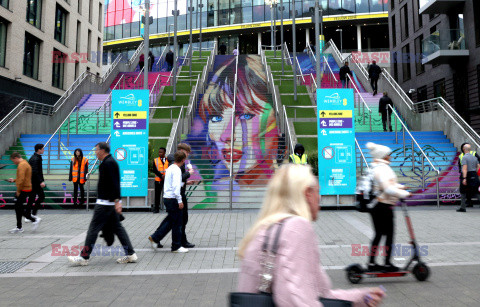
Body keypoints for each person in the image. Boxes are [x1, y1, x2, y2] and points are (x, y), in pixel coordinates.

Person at [237, 164, 385, 306]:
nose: (319, 198)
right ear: (307, 193)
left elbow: (320, 296)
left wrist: (361, 297)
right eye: (318, 191)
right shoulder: (297, 227)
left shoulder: (264, 230)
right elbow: (296, 300)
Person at [68, 142, 137, 266]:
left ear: (102, 150)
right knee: (118, 229)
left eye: (96, 150)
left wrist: (117, 201)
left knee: (93, 229)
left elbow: (115, 183)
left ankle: (84, 257)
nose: (95, 152)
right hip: (108, 204)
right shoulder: (107, 162)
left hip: (105, 204)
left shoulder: (109, 163)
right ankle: (131, 254)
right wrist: (117, 202)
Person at [366, 142, 410, 272]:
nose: (390, 156)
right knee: (389, 234)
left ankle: (372, 263)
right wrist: (404, 193)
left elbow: (386, 185)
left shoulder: (377, 167)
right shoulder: (382, 169)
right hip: (382, 206)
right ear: (383, 156)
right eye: (388, 155)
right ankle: (386, 264)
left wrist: (401, 187)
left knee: (379, 234)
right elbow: (387, 188)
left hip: (377, 205)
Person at [148, 151, 189, 253]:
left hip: (167, 197)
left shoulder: (170, 168)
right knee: (177, 223)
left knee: (171, 220)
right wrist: (179, 200)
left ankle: (155, 238)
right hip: (173, 198)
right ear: (183, 160)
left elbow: (173, 183)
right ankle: (175, 246)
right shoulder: (177, 170)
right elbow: (176, 187)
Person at [8, 152, 41, 233]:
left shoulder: (22, 165)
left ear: (16, 158)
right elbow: (23, 177)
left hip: (23, 189)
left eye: (13, 161)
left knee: (18, 207)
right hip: (26, 188)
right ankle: (20, 226)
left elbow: (22, 179)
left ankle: (33, 220)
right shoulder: (25, 163)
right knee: (18, 207)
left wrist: (18, 190)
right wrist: (15, 180)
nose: (13, 162)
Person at [177, 143, 195, 248]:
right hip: (178, 195)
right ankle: (180, 241)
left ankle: (182, 240)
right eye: (187, 152)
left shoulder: (181, 163)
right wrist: (189, 173)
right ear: (182, 151)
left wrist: (186, 182)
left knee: (181, 219)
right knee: (180, 219)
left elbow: (179, 180)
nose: (188, 155)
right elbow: (178, 178)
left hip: (180, 192)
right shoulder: (176, 163)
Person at [457, 143, 480, 212]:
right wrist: (475, 172)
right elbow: (478, 166)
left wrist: (464, 178)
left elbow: (464, 168)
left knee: (463, 192)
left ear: (464, 149)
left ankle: (463, 207)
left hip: (467, 175)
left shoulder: (464, 157)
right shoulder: (474, 157)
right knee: (476, 191)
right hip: (474, 174)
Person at [25, 144, 45, 222]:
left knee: (32, 198)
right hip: (34, 182)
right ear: (38, 150)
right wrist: (40, 181)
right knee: (40, 196)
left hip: (34, 182)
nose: (43, 150)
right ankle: (31, 215)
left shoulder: (36, 157)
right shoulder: (35, 159)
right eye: (42, 149)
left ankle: (30, 215)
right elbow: (35, 171)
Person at [152, 147, 168, 214]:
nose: (159, 153)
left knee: (167, 194)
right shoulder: (155, 160)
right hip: (158, 179)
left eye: (161, 152)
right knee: (157, 194)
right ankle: (156, 208)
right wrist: (161, 175)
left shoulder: (168, 160)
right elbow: (154, 169)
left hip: (167, 179)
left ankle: (168, 207)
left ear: (164, 153)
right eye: (159, 152)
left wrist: (166, 176)